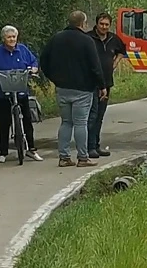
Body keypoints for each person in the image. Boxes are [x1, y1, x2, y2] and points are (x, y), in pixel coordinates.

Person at [40, 11, 106, 168]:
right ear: (82, 24)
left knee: (66, 122)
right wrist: (101, 85)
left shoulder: (56, 38)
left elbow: (44, 60)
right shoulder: (87, 41)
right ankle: (83, 157)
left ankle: (64, 157)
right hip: (83, 89)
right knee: (81, 122)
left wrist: (54, 78)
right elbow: (95, 66)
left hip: (62, 87)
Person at [0, 25, 44, 163]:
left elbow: (33, 61)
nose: (12, 39)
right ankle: (3, 152)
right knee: (4, 121)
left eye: (14, 37)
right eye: (9, 37)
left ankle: (31, 149)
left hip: (21, 89)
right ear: (3, 38)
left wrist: (34, 69)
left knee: (27, 118)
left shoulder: (23, 50)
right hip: (3, 91)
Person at [86, 12, 126, 158]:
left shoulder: (113, 39)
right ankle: (89, 147)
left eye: (106, 25)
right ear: (96, 24)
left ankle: (96, 145)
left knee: (100, 116)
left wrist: (115, 62)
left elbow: (122, 50)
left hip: (107, 82)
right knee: (92, 115)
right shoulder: (89, 38)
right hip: (91, 82)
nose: (104, 27)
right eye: (101, 24)